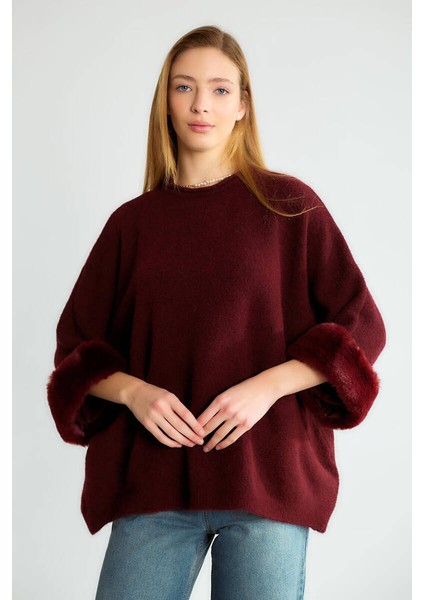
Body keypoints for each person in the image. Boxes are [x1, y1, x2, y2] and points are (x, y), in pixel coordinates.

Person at [46, 25, 386, 600]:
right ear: (166, 101)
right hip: (154, 483)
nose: (201, 104)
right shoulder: (132, 225)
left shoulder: (289, 207)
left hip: (267, 481)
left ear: (243, 105)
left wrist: (267, 387)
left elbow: (362, 324)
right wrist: (135, 393)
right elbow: (75, 351)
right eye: (184, 87)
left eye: (220, 89)